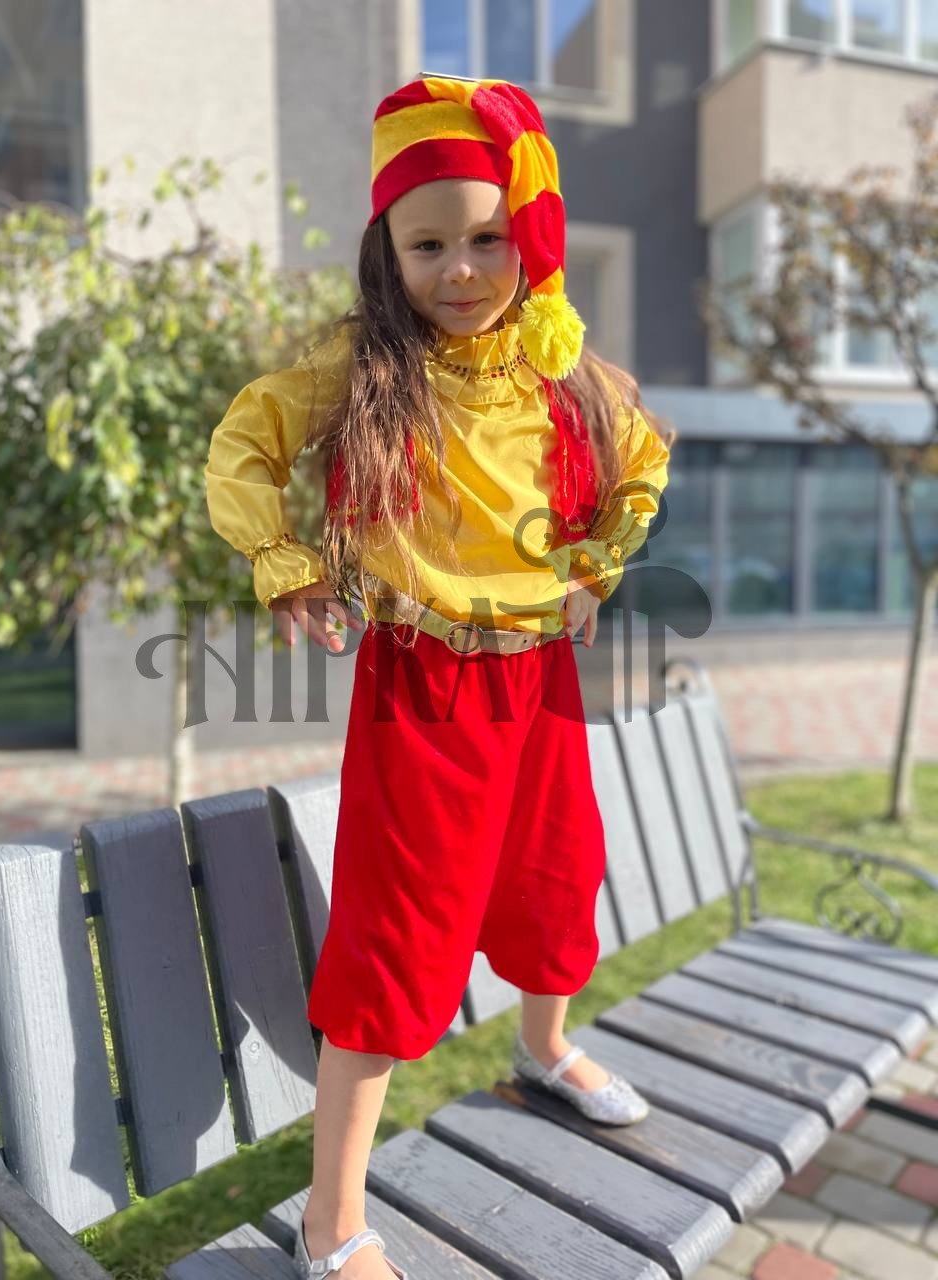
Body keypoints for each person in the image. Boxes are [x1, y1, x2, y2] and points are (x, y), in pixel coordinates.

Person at [205, 73, 673, 1280]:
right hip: (424, 688)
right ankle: (332, 1219)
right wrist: (285, 560)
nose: (461, 269)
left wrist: (597, 566)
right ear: (388, 249)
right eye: (428, 245)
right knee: (397, 933)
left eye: (487, 238)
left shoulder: (560, 365)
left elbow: (643, 459)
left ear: (531, 237)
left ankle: (542, 1046)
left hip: (541, 680)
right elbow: (245, 441)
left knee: (555, 876)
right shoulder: (366, 365)